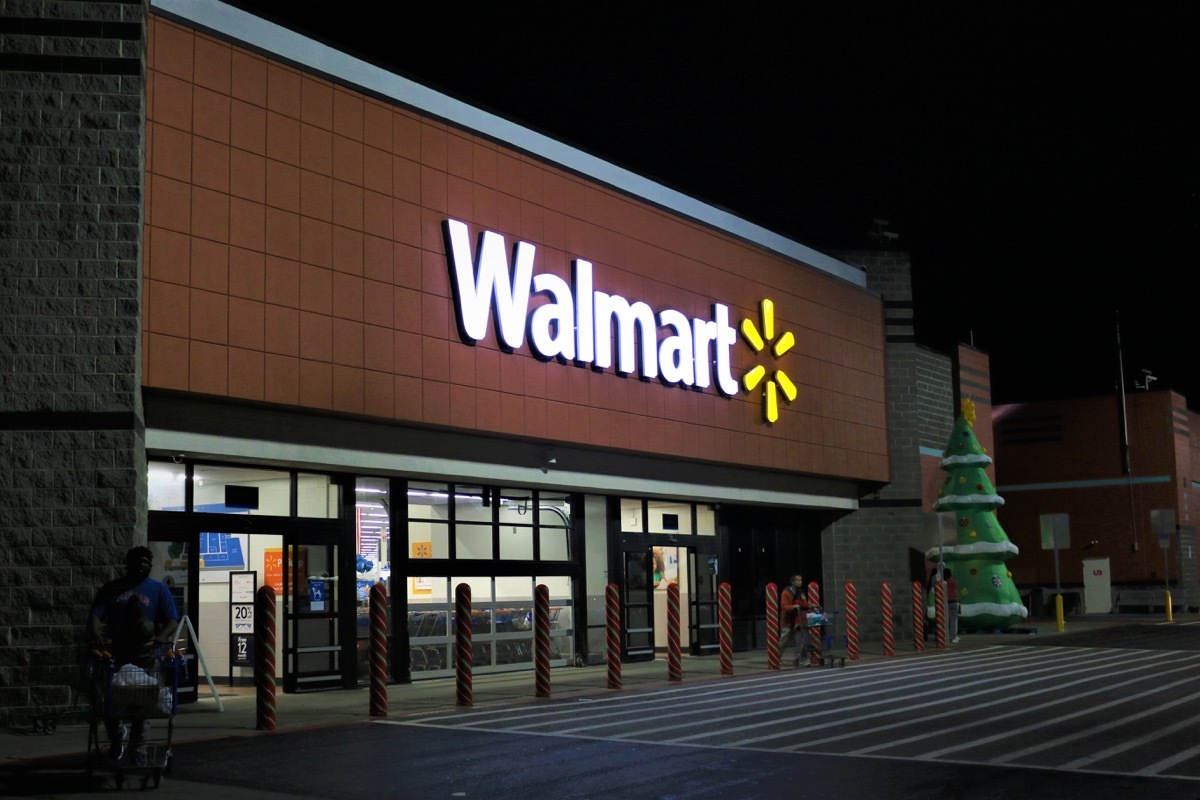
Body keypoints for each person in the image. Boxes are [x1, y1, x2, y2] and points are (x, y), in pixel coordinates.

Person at [88, 546, 179, 766]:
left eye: (146, 563)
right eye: (137, 562)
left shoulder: (158, 590)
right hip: (115, 655)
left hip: (145, 656)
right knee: (110, 701)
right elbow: (96, 614)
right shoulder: (112, 589)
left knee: (142, 702)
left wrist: (159, 637)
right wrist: (97, 635)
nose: (142, 566)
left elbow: (172, 620)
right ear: (127, 564)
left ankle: (137, 749)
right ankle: (117, 739)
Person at [778, 573, 814, 667]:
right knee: (784, 641)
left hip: (799, 621)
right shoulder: (786, 592)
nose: (800, 582)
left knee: (801, 641)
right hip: (788, 621)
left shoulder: (800, 592)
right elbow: (784, 606)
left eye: (801, 580)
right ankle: (776, 657)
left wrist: (809, 605)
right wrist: (794, 606)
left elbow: (804, 603)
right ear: (792, 582)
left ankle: (800, 659)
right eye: (798, 580)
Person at [944, 568, 960, 643]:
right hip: (954, 602)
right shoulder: (954, 582)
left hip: (945, 602)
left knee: (945, 621)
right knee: (953, 621)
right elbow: (956, 591)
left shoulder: (943, 582)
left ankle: (944, 636)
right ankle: (953, 637)